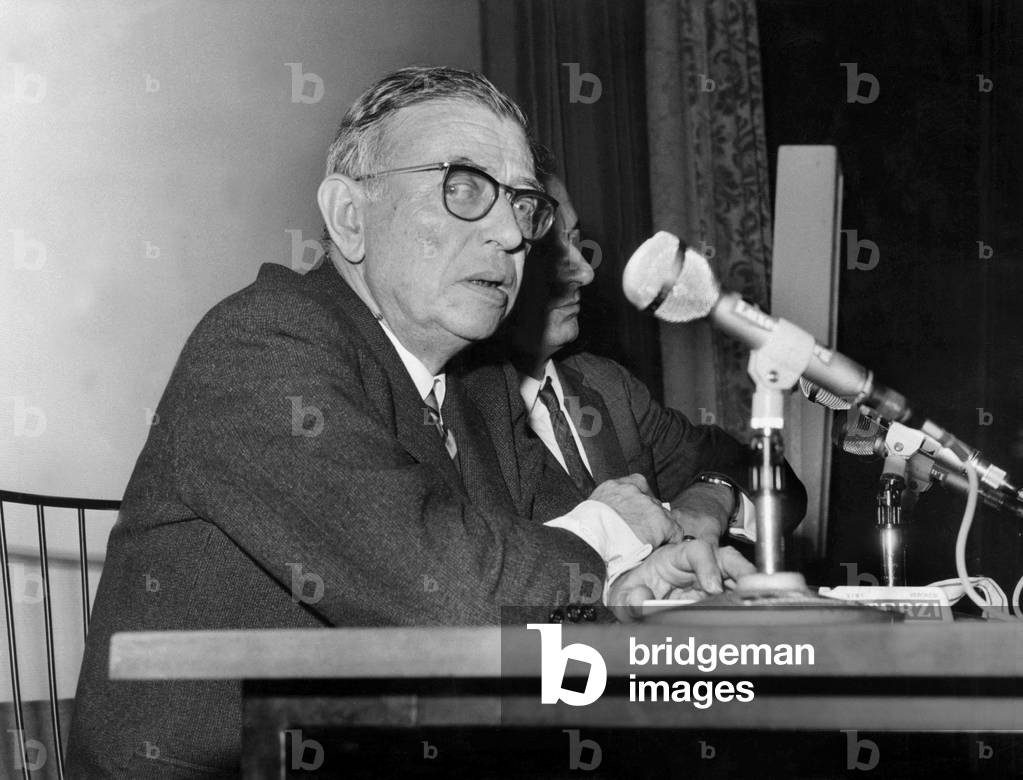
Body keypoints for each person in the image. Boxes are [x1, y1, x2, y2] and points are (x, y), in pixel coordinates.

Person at [67, 67, 745, 778]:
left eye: (522, 203)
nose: (513, 234)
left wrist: (633, 582)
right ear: (350, 217)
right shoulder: (259, 343)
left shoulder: (477, 386)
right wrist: (611, 534)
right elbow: (453, 594)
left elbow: (536, 573)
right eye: (464, 187)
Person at [462, 174, 806, 568]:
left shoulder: (608, 387)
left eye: (574, 241)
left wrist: (714, 495)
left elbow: (775, 481)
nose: (584, 273)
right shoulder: (454, 411)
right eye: (548, 252)